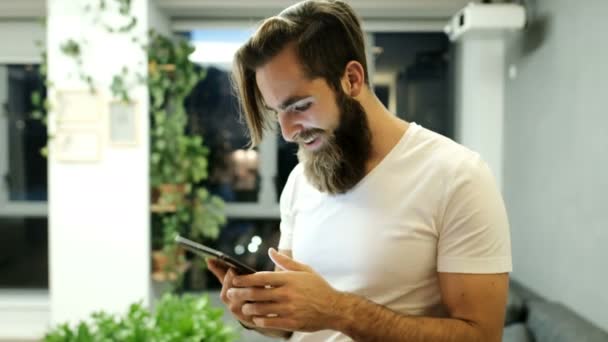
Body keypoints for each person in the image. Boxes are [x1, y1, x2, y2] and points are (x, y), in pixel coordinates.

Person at [207, 1, 512, 341]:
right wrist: (253, 311)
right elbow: (293, 326)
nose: (288, 131)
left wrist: (340, 311)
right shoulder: (299, 182)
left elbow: (482, 336)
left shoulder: (457, 175)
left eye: (299, 106)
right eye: (277, 111)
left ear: (351, 79)